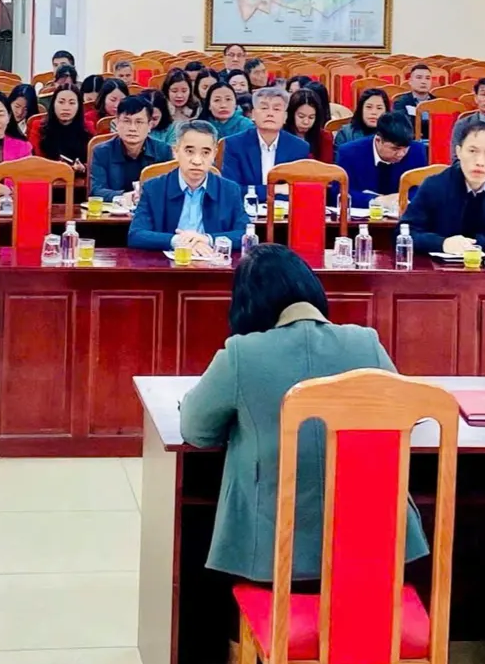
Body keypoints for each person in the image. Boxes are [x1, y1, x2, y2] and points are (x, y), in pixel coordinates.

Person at [177, 240, 427, 592]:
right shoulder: (366, 343)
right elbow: (405, 415)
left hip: (272, 554)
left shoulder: (242, 354)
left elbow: (196, 430)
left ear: (247, 305)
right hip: (371, 548)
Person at [400, 115, 485, 256]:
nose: (480, 161)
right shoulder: (434, 185)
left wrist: (474, 243)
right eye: (472, 151)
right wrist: (442, 243)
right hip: (441, 267)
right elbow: (405, 233)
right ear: (459, 152)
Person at [127, 119, 248, 255]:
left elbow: (245, 234)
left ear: (214, 154)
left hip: (212, 260)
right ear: (175, 151)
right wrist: (178, 241)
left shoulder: (230, 190)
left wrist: (207, 239)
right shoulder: (154, 188)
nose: (197, 161)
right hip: (167, 263)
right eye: (189, 151)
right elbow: (136, 235)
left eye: (205, 153)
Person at [221, 87, 311, 199]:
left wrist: (255, 191)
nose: (270, 114)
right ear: (253, 114)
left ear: (285, 117)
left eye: (276, 109)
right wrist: (275, 189)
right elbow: (230, 190)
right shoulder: (234, 144)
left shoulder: (299, 147)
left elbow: (298, 191)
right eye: (264, 108)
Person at [335, 111, 427, 207]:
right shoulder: (349, 153)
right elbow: (338, 192)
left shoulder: (416, 150)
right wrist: (376, 200)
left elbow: (422, 191)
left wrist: (402, 198)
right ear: (378, 140)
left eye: (405, 148)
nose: (401, 154)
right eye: (395, 149)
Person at [91, 94, 168, 201]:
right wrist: (124, 196)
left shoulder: (164, 150)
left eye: (139, 122)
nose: (132, 128)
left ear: (150, 125)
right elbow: (96, 190)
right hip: (114, 210)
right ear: (117, 123)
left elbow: (170, 189)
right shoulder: (101, 152)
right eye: (126, 121)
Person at [36, 84, 91, 171]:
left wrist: (84, 167)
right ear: (53, 104)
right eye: (61, 102)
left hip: (78, 177)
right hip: (47, 175)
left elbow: (94, 163)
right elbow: (35, 162)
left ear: (79, 106)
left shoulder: (88, 128)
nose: (66, 108)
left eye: (72, 103)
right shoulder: (38, 127)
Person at [283, 90, 333, 162]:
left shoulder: (324, 137)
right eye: (301, 116)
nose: (306, 122)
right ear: (291, 114)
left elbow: (327, 166)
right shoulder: (280, 135)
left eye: (311, 117)